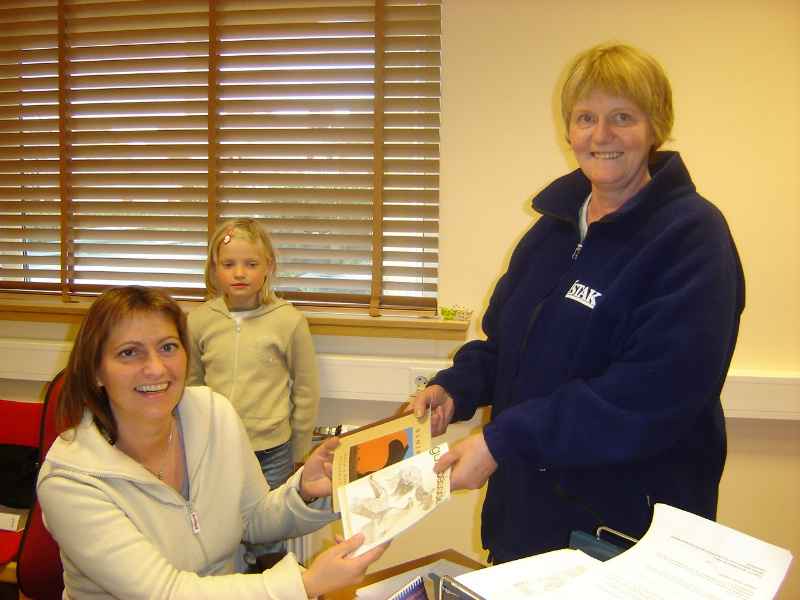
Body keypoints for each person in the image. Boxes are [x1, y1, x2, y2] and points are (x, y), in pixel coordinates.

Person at [412, 43, 745, 564]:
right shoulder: (552, 230)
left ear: (655, 127)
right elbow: (506, 346)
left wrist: (503, 441)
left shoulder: (692, 236)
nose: (601, 135)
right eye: (585, 117)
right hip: (526, 519)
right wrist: (455, 389)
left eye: (622, 117)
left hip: (623, 536)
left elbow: (652, 392)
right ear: (568, 130)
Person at [37, 286, 387, 599]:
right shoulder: (71, 480)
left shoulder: (213, 413)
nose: (156, 368)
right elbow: (164, 592)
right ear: (95, 371)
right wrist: (304, 584)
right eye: (130, 353)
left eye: (168, 347)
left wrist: (304, 493)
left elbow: (251, 519)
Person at [187, 218, 319, 560]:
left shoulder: (288, 321)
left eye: (251, 264)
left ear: (269, 267)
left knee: (268, 534)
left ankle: (269, 577)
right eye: (229, 264)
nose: (240, 273)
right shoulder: (198, 320)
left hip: (271, 450)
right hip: (217, 447)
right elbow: (191, 386)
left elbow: (306, 389)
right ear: (214, 269)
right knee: (222, 529)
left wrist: (300, 448)